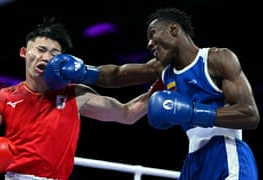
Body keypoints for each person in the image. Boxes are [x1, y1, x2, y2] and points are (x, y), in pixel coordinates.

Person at [49, 7, 260, 180]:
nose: (149, 44)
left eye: (153, 35)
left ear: (173, 29)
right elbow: (118, 75)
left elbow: (250, 114)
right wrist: (84, 72)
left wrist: (193, 113)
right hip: (194, 160)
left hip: (226, 150)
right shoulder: (162, 69)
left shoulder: (217, 59)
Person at [0, 17, 153, 180]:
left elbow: (127, 115)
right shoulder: (5, 97)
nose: (45, 57)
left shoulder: (76, 95)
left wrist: (158, 89)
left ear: (60, 60)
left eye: (54, 54)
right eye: (40, 49)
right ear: (24, 53)